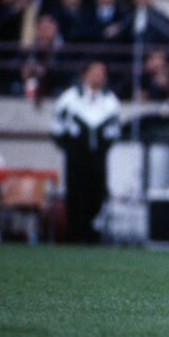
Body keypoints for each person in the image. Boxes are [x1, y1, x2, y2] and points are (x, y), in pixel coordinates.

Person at [51, 61, 121, 244]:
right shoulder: (70, 98)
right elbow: (57, 127)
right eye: (94, 72)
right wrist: (70, 147)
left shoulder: (109, 101)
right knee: (75, 193)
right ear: (85, 74)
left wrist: (102, 147)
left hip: (98, 157)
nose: (98, 76)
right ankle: (75, 235)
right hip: (76, 156)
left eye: (102, 72)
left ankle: (92, 235)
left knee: (97, 193)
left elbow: (114, 130)